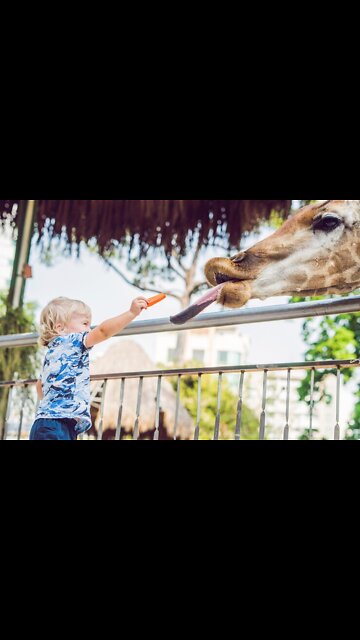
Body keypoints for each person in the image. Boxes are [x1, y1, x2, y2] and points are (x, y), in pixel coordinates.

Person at [29, 295, 148, 440]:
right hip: (57, 425)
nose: (89, 329)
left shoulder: (52, 352)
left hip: (47, 423)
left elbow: (39, 386)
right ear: (60, 328)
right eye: (85, 324)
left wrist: (51, 407)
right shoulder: (73, 341)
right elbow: (103, 331)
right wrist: (131, 313)